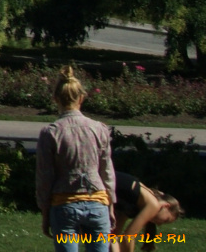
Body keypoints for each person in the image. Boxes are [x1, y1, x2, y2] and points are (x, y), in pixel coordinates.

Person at [36, 66, 114, 244]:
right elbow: (107, 172)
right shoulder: (99, 129)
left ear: (55, 99)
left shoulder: (51, 133)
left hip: (64, 203)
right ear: (81, 98)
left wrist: (45, 211)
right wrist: (110, 204)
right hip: (97, 201)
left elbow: (44, 177)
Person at [114, 169, 184, 239]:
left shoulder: (134, 207)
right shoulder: (153, 204)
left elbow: (113, 235)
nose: (159, 224)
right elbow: (128, 237)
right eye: (166, 220)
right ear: (166, 206)